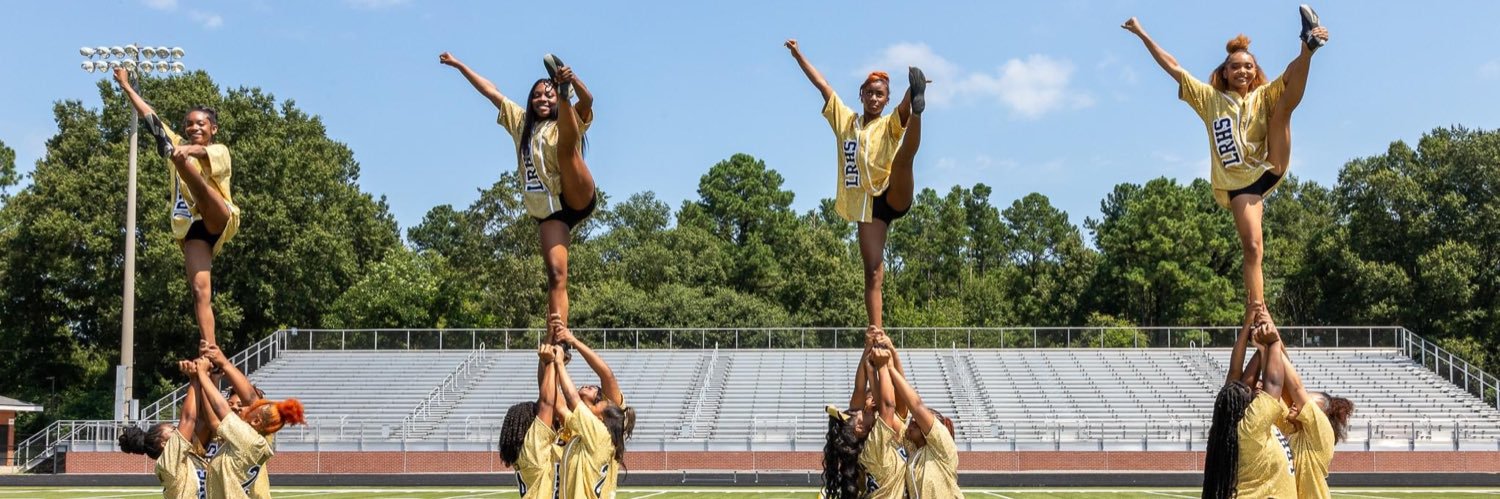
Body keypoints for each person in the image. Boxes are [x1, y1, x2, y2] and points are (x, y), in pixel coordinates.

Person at [1122, 6, 1329, 308]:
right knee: (1254, 247)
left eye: (1248, 66)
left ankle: (1307, 44)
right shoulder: (1210, 100)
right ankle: (1257, 308)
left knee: (1283, 109)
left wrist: (1305, 54)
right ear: (1224, 73)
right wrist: (1142, 34)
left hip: (1269, 165)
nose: (1242, 71)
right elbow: (1174, 66)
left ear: (1254, 72)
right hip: (1239, 185)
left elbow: (1291, 75)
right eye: (1235, 67)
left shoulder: (1262, 95)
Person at [439, 52, 598, 329]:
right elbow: (491, 91)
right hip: (550, 211)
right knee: (556, 275)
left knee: (566, 150)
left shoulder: (566, 117)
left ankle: (565, 94)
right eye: (538, 95)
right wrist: (459, 65)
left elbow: (588, 101)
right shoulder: (521, 123)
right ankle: (558, 333)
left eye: (549, 95)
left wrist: (571, 83)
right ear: (530, 100)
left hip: (577, 192)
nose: (542, 99)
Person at [786, 39, 926, 329]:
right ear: (861, 95)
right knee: (873, 272)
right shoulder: (847, 122)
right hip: (868, 207)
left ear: (886, 100)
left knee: (903, 159)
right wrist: (799, 55)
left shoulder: (887, 123)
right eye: (870, 93)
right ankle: (875, 331)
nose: (874, 99)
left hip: (893, 191)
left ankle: (920, 109)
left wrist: (912, 92)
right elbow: (822, 85)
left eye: (880, 95)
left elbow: (900, 109)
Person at [113, 67, 242, 346]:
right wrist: (126, 86)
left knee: (185, 165)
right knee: (199, 290)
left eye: (201, 124)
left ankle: (182, 166)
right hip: (193, 228)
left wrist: (185, 153)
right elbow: (150, 117)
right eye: (189, 124)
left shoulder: (219, 150)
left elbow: (202, 152)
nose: (194, 128)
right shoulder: (175, 143)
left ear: (213, 129)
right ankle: (210, 348)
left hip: (219, 216)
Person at [118, 360, 207, 499]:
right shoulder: (169, 461)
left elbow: (203, 420)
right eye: (172, 430)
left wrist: (208, 377)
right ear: (163, 443)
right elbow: (189, 418)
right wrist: (194, 378)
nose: (177, 430)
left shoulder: (183, 457)